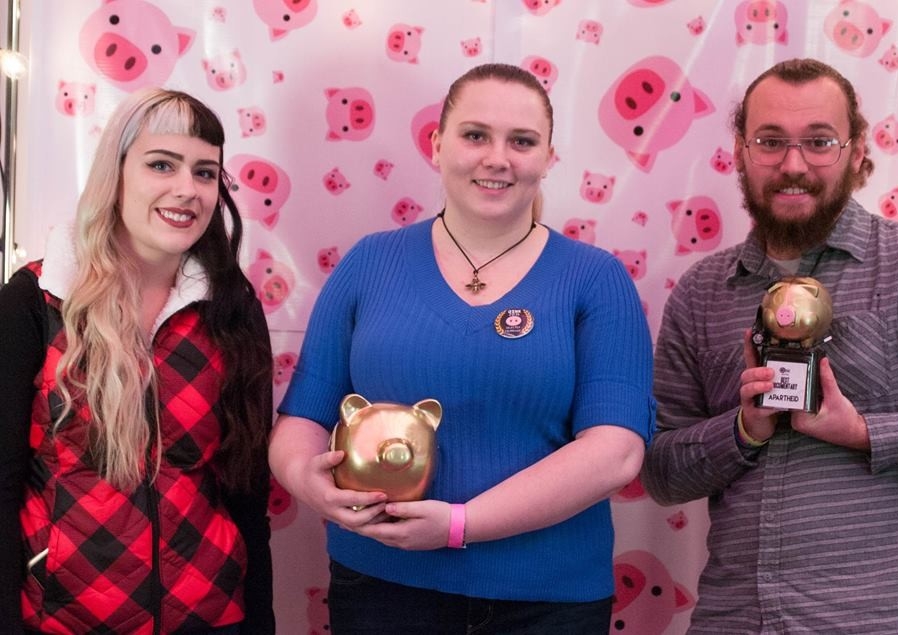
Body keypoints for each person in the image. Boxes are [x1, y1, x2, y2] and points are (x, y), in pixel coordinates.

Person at [270, 62, 655, 634]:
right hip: (381, 590)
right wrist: (311, 485)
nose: (496, 158)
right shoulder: (369, 264)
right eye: (475, 135)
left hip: (548, 603)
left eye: (521, 141)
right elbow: (301, 422)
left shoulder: (595, 280)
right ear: (437, 144)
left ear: (549, 158)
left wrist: (459, 525)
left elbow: (616, 452)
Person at [641, 57, 898, 634]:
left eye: (819, 141)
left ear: (857, 150)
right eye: (770, 141)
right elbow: (661, 471)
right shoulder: (702, 292)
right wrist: (742, 430)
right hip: (736, 620)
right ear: (740, 150)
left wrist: (863, 432)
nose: (793, 165)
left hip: (883, 621)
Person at [0, 88, 275, 634]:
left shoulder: (232, 307)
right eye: (161, 164)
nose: (186, 190)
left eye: (204, 172)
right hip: (61, 619)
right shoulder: (35, 300)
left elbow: (248, 490)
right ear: (115, 173)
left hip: (212, 616)